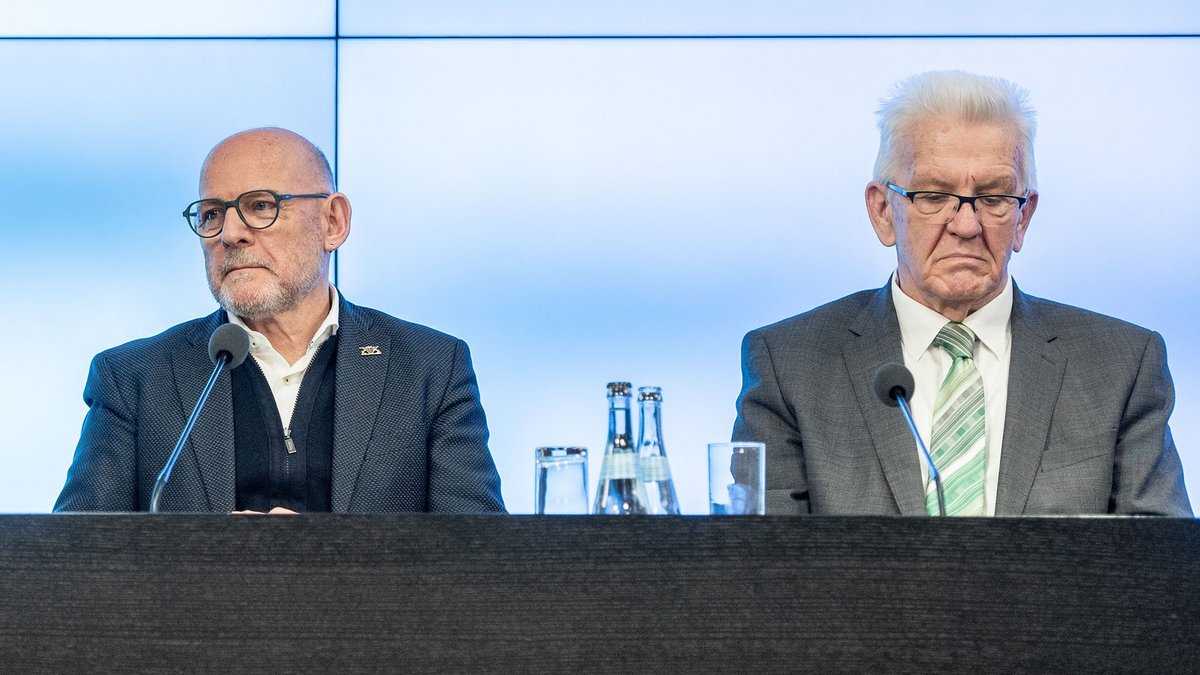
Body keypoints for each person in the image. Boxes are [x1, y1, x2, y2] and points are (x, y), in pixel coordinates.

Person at [733, 71, 1190, 516]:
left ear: (1023, 217)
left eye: (993, 198)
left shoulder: (1121, 366)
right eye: (933, 195)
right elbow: (763, 567)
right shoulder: (788, 365)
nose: (966, 225)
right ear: (883, 211)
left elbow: (1158, 571)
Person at [55, 127, 505, 513]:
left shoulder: (430, 368)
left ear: (333, 222)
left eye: (260, 206)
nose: (230, 233)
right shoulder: (134, 379)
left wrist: (318, 559)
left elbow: (479, 563)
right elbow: (75, 562)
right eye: (212, 214)